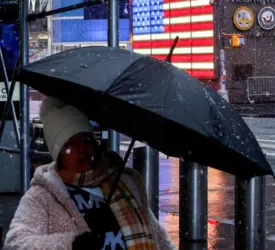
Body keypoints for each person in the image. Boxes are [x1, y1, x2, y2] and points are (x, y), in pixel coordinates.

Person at [5, 97, 176, 250]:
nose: (81, 149)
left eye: (86, 139)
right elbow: (15, 244)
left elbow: (160, 240)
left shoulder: (124, 184)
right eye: (70, 144)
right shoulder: (43, 196)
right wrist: (72, 244)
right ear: (58, 154)